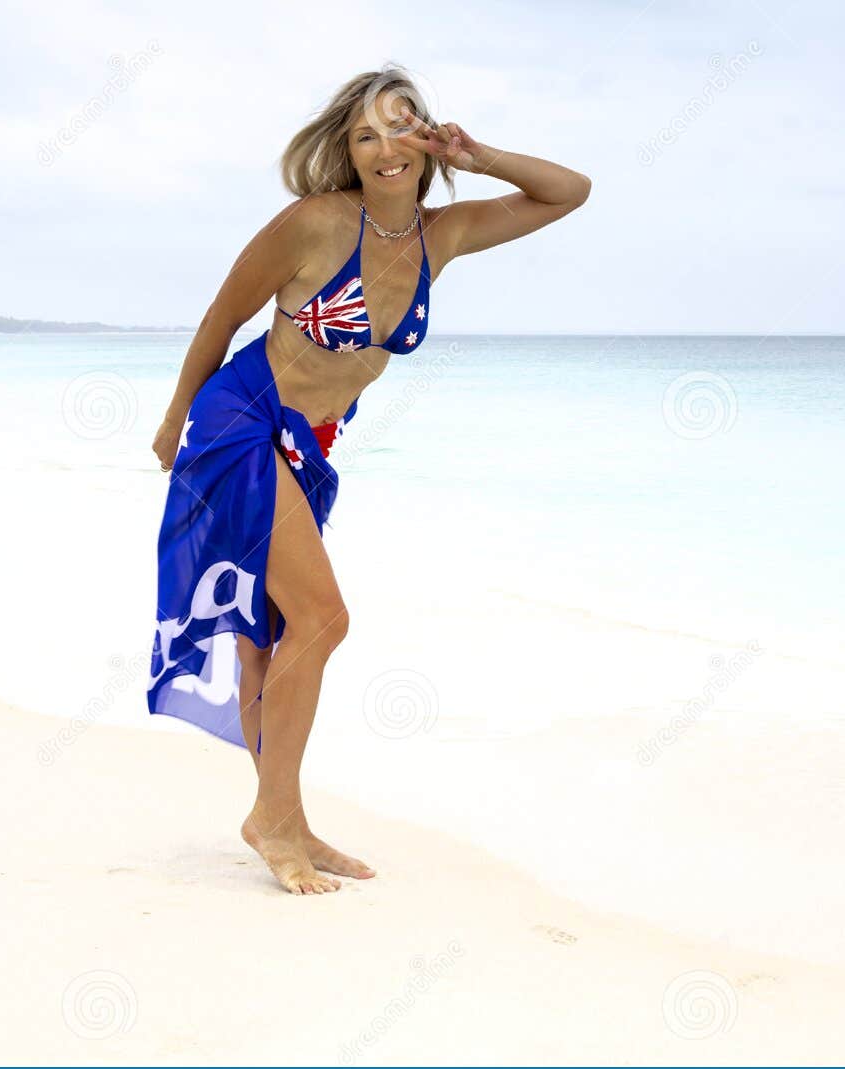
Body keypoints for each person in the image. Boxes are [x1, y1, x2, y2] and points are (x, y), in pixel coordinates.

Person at [147, 66, 592, 895]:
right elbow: (222, 317)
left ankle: (285, 817)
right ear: (346, 154)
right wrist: (175, 420)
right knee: (324, 616)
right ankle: (273, 820)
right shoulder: (313, 223)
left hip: (307, 448)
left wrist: (481, 154)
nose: (386, 147)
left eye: (403, 126)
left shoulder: (443, 235)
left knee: (272, 638)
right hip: (239, 422)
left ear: (429, 140)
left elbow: (570, 191)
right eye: (365, 134)